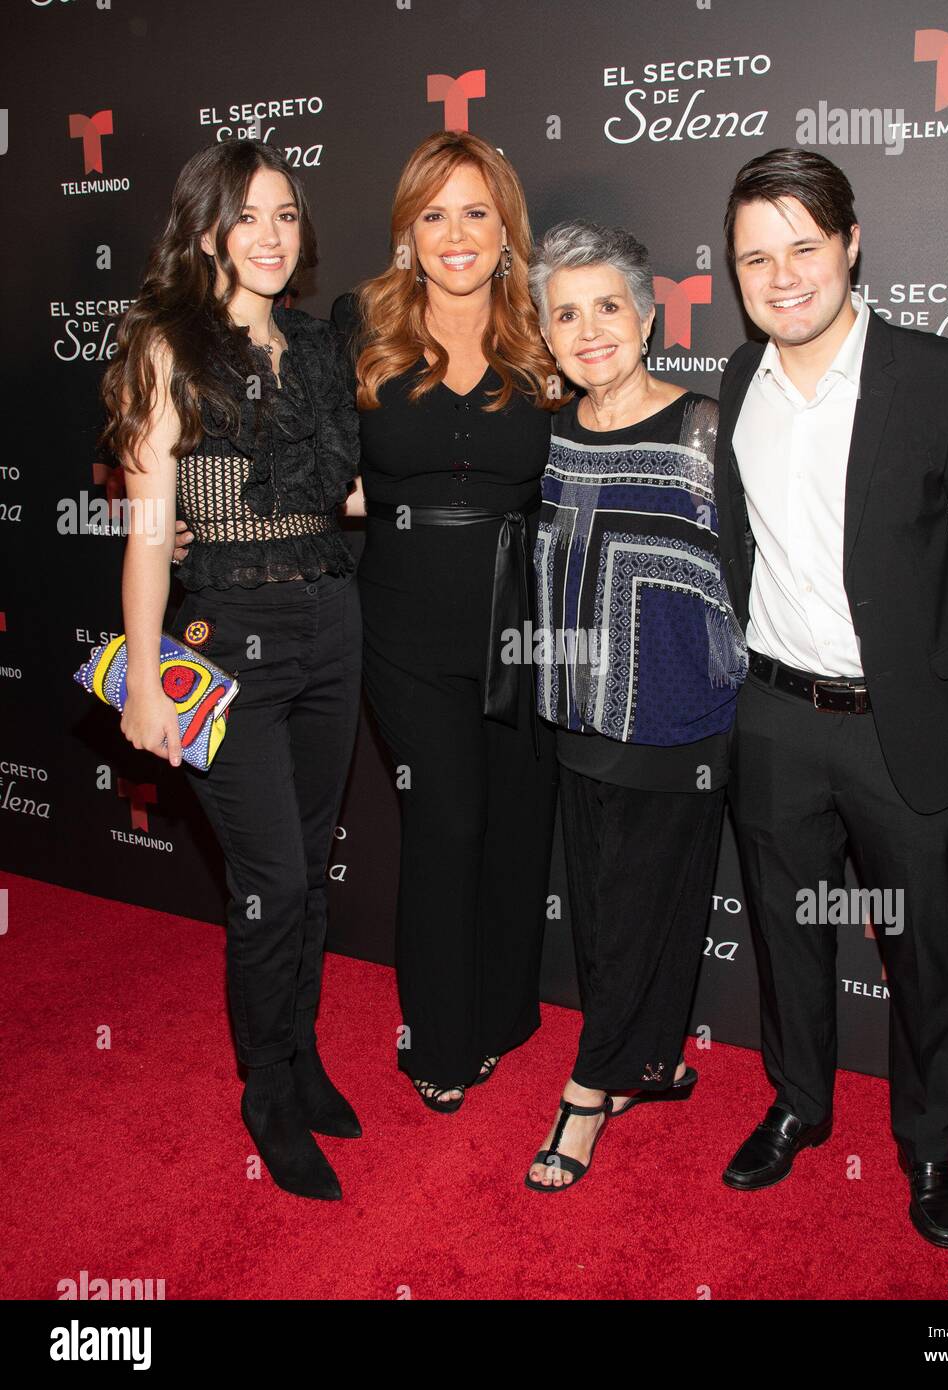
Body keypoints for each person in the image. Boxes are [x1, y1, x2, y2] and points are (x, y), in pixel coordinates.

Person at [713, 148, 948, 1247]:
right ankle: (799, 1103)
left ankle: (929, 1145)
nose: (781, 274)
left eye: (802, 246)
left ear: (850, 244)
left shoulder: (945, 378)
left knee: (925, 951)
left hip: (908, 726)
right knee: (786, 937)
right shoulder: (734, 386)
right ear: (733, 271)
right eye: (755, 255)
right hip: (772, 720)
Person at [103, 140, 363, 1201]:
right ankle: (265, 1085)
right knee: (273, 882)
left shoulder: (313, 347)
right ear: (205, 227)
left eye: (287, 216)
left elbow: (338, 497)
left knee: (305, 869)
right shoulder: (167, 345)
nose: (270, 235)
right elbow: (150, 531)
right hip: (225, 635)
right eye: (248, 215)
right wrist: (147, 676)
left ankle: (297, 1056)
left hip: (331, 622)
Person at [330, 132, 561, 1113]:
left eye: (475, 212)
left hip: (527, 623)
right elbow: (307, 458)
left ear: (504, 227)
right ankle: (436, 1035)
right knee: (444, 822)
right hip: (404, 625)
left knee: (514, 826)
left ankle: (500, 1015)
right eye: (432, 214)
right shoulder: (360, 324)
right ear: (406, 231)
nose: (454, 234)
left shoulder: (545, 329)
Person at [523, 221, 747, 1191]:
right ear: (544, 337)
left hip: (686, 717)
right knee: (609, 908)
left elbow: (764, 564)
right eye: (563, 315)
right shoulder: (544, 438)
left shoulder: (707, 429)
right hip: (578, 714)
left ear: (646, 316)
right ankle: (628, 1068)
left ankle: (600, 1083)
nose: (588, 331)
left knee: (656, 903)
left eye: (605, 306)